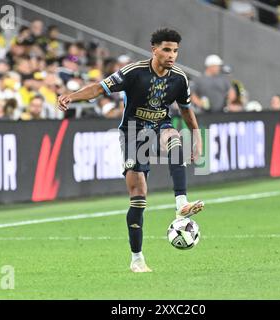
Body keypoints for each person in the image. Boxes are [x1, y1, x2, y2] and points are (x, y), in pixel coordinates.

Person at [58, 28, 205, 273]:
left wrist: (198, 137)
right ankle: (137, 259)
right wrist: (72, 96)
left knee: (175, 138)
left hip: (160, 125)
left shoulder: (179, 78)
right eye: (167, 50)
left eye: (175, 51)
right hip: (133, 132)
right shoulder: (134, 72)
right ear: (154, 50)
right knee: (138, 196)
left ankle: (181, 202)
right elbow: (99, 88)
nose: (172, 55)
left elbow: (186, 109)